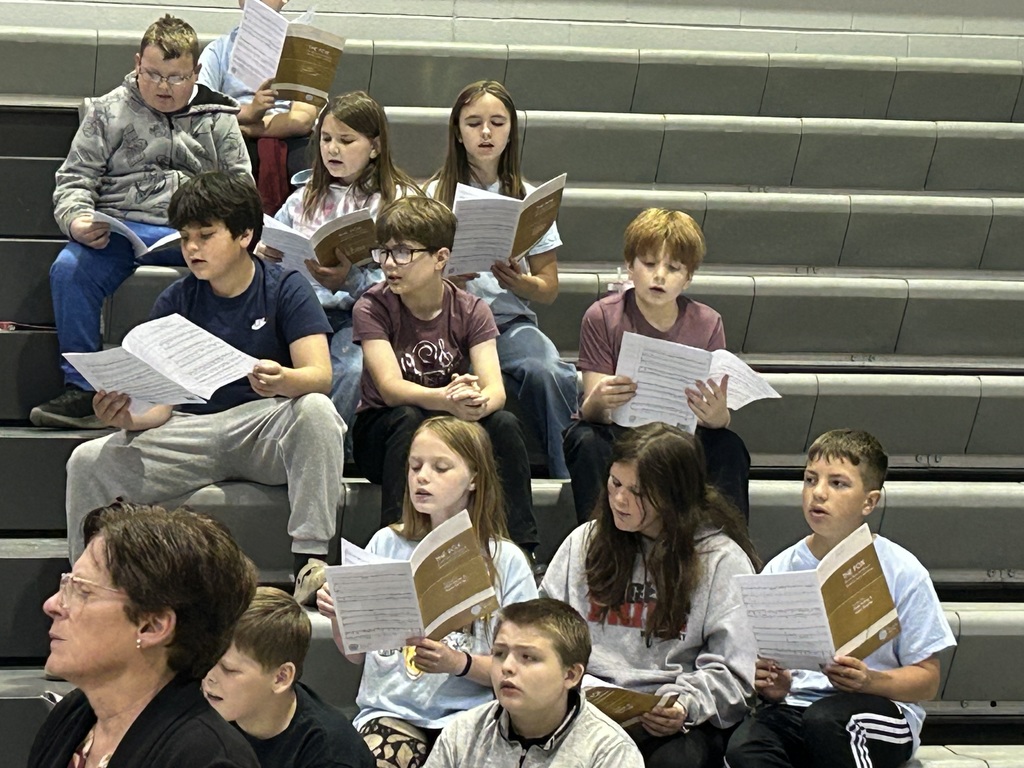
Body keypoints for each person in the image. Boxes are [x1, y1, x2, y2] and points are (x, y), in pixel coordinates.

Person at [63, 171, 346, 587]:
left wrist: (282, 379)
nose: (191, 248)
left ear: (244, 235)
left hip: (260, 426)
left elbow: (319, 376)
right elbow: (158, 408)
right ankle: (87, 580)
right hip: (189, 431)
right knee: (85, 461)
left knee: (317, 411)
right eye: (185, 237)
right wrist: (126, 417)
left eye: (205, 235)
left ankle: (310, 560)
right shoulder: (175, 299)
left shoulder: (285, 287)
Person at [30, 14, 251, 429]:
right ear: (137, 64)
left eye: (176, 77)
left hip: (194, 230)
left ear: (197, 73)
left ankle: (218, 389)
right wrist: (78, 220)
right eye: (153, 74)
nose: (164, 87)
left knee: (240, 267)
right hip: (119, 227)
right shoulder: (107, 111)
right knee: (69, 269)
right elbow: (74, 180)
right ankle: (82, 389)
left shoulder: (218, 116)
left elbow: (242, 188)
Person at [724, 429, 957, 768]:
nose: (818, 494)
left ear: (870, 502)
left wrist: (870, 680)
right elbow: (769, 671)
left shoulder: (902, 570)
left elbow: (927, 680)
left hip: (880, 709)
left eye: (838, 483)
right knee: (744, 747)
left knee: (830, 723)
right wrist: (775, 685)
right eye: (810, 480)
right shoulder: (780, 567)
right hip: (798, 705)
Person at [318, 416, 538, 767]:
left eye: (441, 468)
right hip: (392, 711)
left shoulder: (505, 559)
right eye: (415, 466)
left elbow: (525, 664)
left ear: (474, 479)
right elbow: (355, 655)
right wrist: (339, 616)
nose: (422, 477)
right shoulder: (385, 543)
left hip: (473, 716)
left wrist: (458, 664)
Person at [542, 423, 759, 768]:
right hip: (580, 702)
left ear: (674, 496)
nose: (619, 499)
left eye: (638, 492)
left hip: (668, 718)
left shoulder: (721, 560)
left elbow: (735, 671)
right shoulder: (585, 542)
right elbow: (545, 630)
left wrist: (685, 704)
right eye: (615, 483)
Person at [350, 195, 538, 551]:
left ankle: (520, 548)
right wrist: (446, 400)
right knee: (406, 417)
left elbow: (495, 389)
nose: (390, 263)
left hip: (449, 431)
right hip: (384, 431)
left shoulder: (472, 309)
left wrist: (476, 402)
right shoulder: (372, 306)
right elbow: (390, 388)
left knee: (504, 424)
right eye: (384, 252)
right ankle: (400, 544)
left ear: (440, 258)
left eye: (404, 252)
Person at [28, 502, 259, 768]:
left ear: (153, 626)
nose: (52, 605)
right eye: (65, 585)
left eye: (82, 591)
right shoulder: (72, 717)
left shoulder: (206, 759)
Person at [427, 80, 577, 480]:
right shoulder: (431, 194)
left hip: (506, 324)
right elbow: (409, 277)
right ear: (457, 132)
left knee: (552, 371)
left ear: (511, 130)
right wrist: (444, 278)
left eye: (497, 122)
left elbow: (548, 288)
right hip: (445, 326)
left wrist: (518, 282)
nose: (486, 132)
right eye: (474, 123)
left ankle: (569, 476)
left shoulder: (529, 197)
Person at [562, 207, 751, 523]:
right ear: (630, 267)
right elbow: (594, 410)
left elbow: (715, 411)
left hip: (678, 438)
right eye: (649, 264)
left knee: (728, 446)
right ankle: (597, 539)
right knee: (586, 440)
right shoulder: (602, 316)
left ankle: (727, 545)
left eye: (674, 268)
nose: (660, 275)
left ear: (688, 278)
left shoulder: (708, 323)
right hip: (620, 432)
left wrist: (719, 416)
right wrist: (599, 400)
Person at [257, 91, 421, 451]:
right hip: (298, 315)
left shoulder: (397, 201)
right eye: (327, 140)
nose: (333, 150)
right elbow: (267, 253)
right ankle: (271, 451)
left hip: (362, 317)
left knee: (349, 369)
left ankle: (331, 455)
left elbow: (411, 281)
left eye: (346, 141)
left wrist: (351, 280)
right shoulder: (302, 197)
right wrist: (267, 257)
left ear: (375, 146)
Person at [425, 598, 644, 768]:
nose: (507, 666)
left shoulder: (610, 753)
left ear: (571, 675)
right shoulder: (464, 732)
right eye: (499, 653)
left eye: (528, 657)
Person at [203, 587, 373, 768]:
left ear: (281, 677)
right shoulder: (201, 714)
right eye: (206, 659)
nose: (208, 676)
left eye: (229, 669)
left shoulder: (330, 756)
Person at [197, 0, 318, 188]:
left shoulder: (303, 51)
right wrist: (250, 111)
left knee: (308, 175)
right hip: (234, 134)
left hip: (290, 138)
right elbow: (202, 109)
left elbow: (302, 119)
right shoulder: (218, 51)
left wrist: (249, 128)